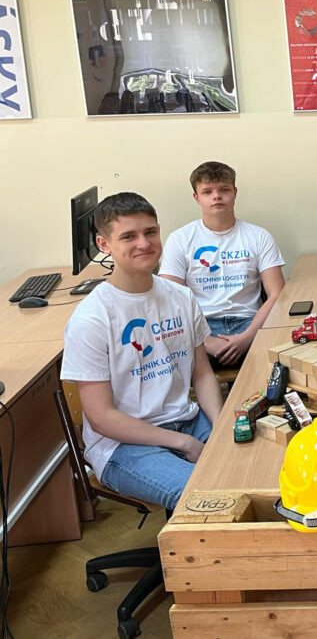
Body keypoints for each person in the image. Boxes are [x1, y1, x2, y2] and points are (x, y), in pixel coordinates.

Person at [62, 192, 223, 510]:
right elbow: (102, 418)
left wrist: (219, 429)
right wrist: (184, 443)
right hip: (123, 445)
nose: (144, 243)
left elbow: (203, 374)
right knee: (208, 497)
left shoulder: (181, 297)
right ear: (104, 244)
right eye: (129, 236)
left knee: (253, 467)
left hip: (187, 420)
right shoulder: (91, 319)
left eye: (150, 232)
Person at [160, 161, 285, 366]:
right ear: (196, 197)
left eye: (224, 190)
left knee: (282, 358)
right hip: (200, 326)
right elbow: (169, 299)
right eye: (207, 191)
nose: (216, 196)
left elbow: (277, 294)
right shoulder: (180, 239)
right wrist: (205, 342)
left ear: (235, 192)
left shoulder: (259, 236)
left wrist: (246, 338)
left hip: (250, 324)